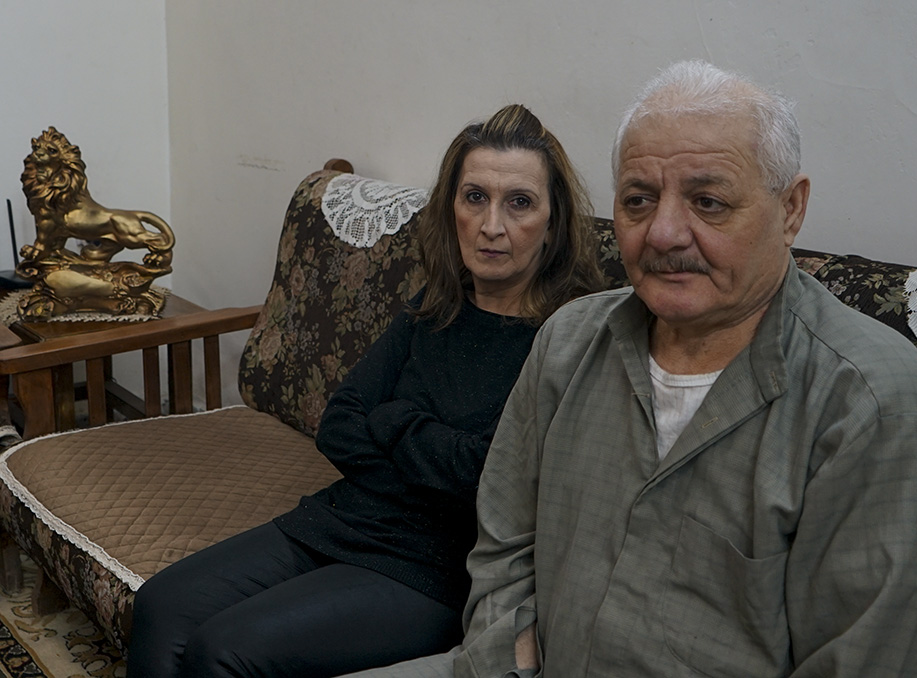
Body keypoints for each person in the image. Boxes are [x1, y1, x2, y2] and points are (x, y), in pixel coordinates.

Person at [345, 61, 917, 678]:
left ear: (791, 209)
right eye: (639, 200)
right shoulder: (569, 341)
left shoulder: (874, 407)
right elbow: (505, 542)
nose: (664, 233)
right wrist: (512, 659)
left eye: (708, 202)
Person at [125, 103, 605, 678]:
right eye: (474, 196)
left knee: (223, 650)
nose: (492, 225)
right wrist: (432, 460)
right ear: (451, 206)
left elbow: (499, 482)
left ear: (552, 223)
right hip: (340, 520)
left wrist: (398, 421)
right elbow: (341, 421)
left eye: (519, 203)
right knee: (160, 604)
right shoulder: (433, 309)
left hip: (435, 568)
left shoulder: (564, 337)